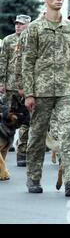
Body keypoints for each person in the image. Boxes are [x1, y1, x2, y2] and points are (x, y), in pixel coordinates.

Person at [22, 0, 70, 195]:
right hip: (41, 91)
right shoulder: (35, 28)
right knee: (38, 134)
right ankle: (33, 178)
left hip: (66, 89)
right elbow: (28, 61)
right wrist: (29, 92)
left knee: (67, 132)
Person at [0, 14, 31, 165]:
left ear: (28, 25)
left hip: (27, 86)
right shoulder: (8, 40)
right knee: (5, 117)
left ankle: (22, 152)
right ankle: (5, 143)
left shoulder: (32, 39)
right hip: (10, 85)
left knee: (25, 119)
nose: (18, 26)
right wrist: (1, 81)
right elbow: (2, 61)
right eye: (17, 23)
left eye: (21, 24)